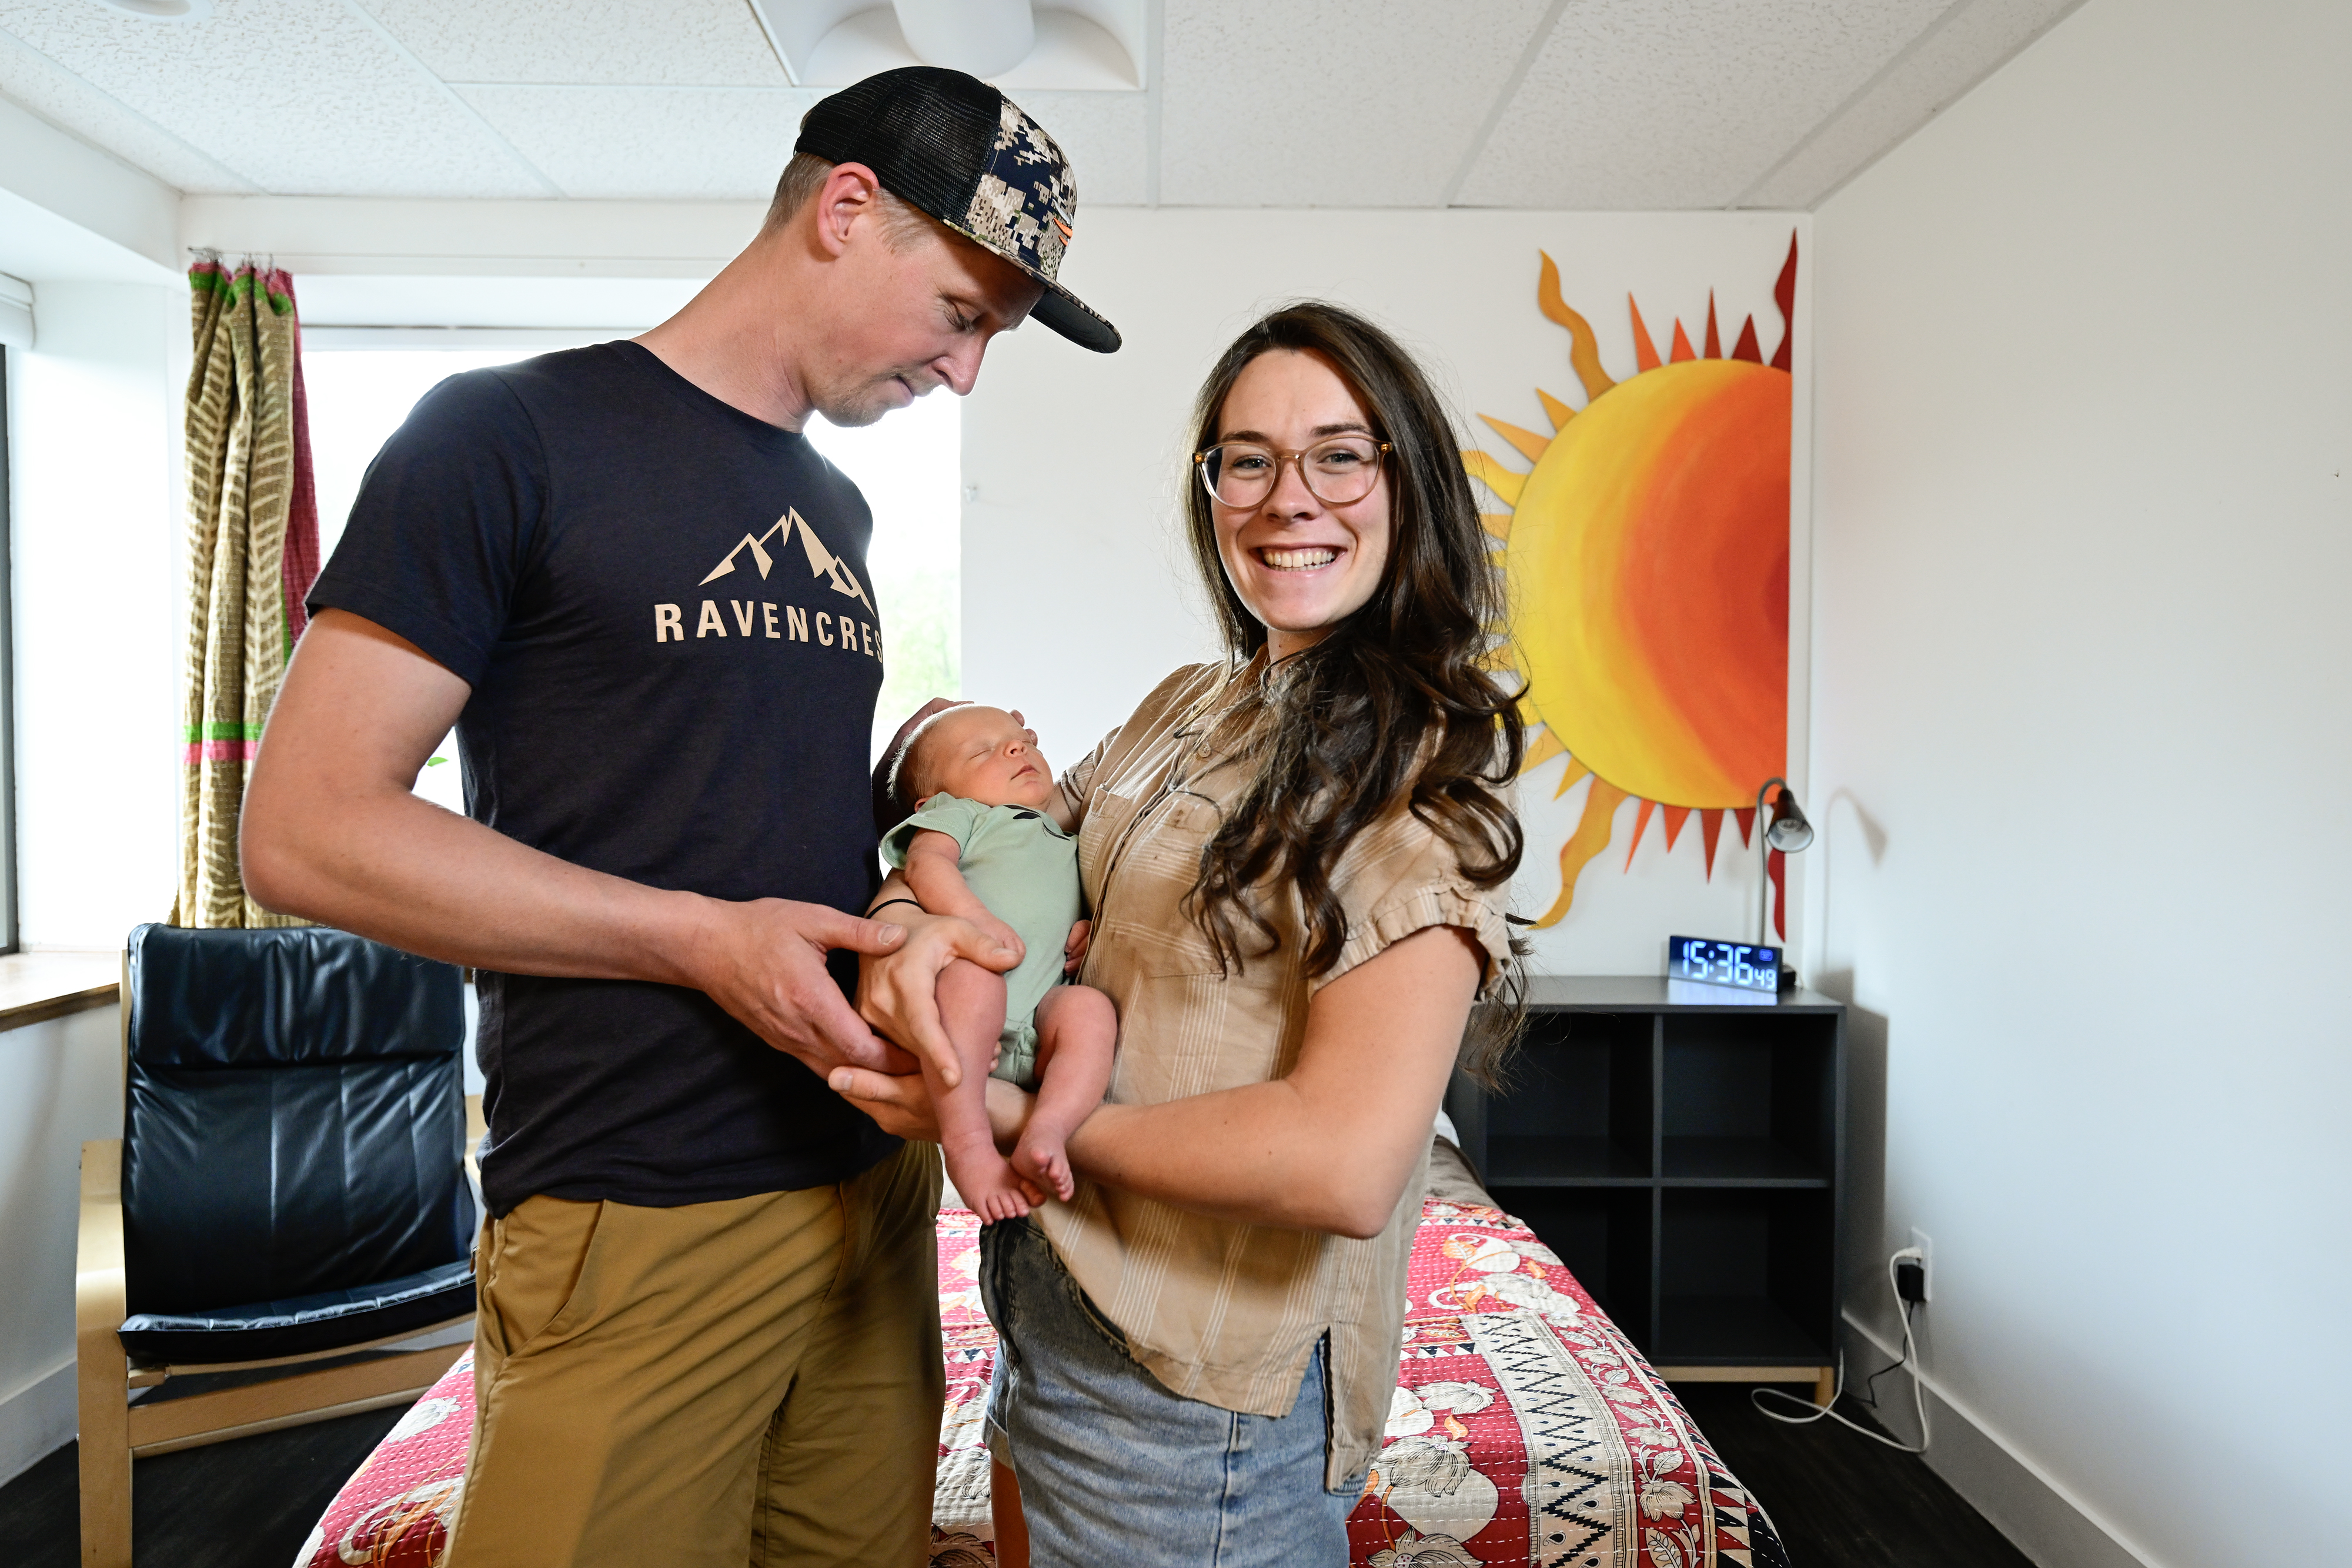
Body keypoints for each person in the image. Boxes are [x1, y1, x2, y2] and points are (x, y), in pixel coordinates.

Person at [239, 66, 1119, 1568]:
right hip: (635, 1200)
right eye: (963, 317)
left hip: (867, 1197)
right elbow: (305, 831)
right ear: (847, 210)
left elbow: (759, 817)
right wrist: (696, 943)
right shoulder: (500, 438)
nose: (966, 373)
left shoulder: (834, 515)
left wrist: (910, 899)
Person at [838, 302, 1526, 1567]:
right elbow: (1007, 835)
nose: (1286, 497)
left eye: (1337, 453)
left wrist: (1020, 1126)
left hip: (1190, 1393)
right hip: (1054, 1308)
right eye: (1246, 458)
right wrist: (907, 916)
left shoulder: (1408, 780)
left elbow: (1345, 1162)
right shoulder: (1192, 704)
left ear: (1404, 478)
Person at [877, 703, 1118, 1220]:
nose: (1016, 747)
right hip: (965, 1012)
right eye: (983, 749)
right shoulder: (961, 815)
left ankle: (1049, 1127)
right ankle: (968, 1149)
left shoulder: (1070, 838)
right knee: (972, 975)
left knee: (1089, 1009)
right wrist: (973, 921)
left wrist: (1091, 925)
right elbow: (925, 865)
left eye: (1020, 739)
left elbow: (1075, 900)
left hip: (1039, 1021)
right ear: (934, 799)